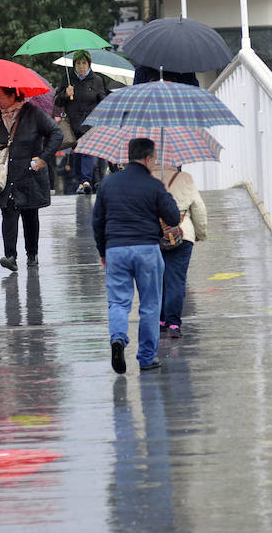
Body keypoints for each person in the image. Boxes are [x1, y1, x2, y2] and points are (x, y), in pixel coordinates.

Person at [92, 138, 180, 373]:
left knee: (119, 301)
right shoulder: (154, 185)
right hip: (147, 249)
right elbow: (172, 217)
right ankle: (146, 358)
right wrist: (165, 192)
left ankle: (118, 339)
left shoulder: (108, 183)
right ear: (149, 158)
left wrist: (103, 251)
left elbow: (97, 221)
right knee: (150, 304)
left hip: (116, 249)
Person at [0, 86, 62, 272]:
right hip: (6, 173)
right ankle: (10, 256)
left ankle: (32, 255)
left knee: (30, 214)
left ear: (13, 95)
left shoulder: (33, 113)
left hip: (29, 172)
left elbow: (57, 133)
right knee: (8, 213)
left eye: (1, 97)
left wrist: (43, 157)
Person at [155, 164, 207, 337]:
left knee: (158, 279)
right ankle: (174, 324)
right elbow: (198, 208)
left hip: (154, 235)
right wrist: (200, 233)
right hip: (182, 233)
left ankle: (160, 319)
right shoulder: (185, 178)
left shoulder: (145, 178)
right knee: (176, 279)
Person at [53, 50, 108, 195]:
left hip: (90, 123)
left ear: (89, 64)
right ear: (74, 65)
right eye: (78, 63)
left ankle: (85, 181)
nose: (81, 66)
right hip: (72, 124)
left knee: (86, 151)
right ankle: (81, 183)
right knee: (77, 153)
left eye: (84, 63)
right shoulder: (68, 79)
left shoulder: (97, 80)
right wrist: (66, 94)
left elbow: (103, 99)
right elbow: (57, 101)